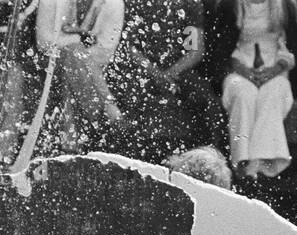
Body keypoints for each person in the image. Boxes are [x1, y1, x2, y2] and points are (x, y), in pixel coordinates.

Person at [110, 0, 221, 162]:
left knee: (208, 103)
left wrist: (171, 72)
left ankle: (210, 157)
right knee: (125, 98)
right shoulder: (136, 2)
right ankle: (122, 154)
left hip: (179, 69)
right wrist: (155, 73)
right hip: (143, 69)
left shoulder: (190, 3)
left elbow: (196, 50)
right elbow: (129, 47)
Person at [218, 0, 297, 179]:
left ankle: (262, 162)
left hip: (276, 69)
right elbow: (221, 50)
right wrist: (243, 70)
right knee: (243, 93)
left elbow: (296, 48)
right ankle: (242, 161)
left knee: (274, 92)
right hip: (238, 69)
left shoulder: (287, 6)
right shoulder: (229, 5)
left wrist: (274, 70)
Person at [35, 0, 127, 148]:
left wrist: (75, 52)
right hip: (48, 64)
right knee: (72, 53)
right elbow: (43, 43)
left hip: (90, 70)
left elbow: (104, 53)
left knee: (71, 66)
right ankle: (106, 108)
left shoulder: (113, 4)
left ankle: (70, 144)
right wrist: (75, 44)